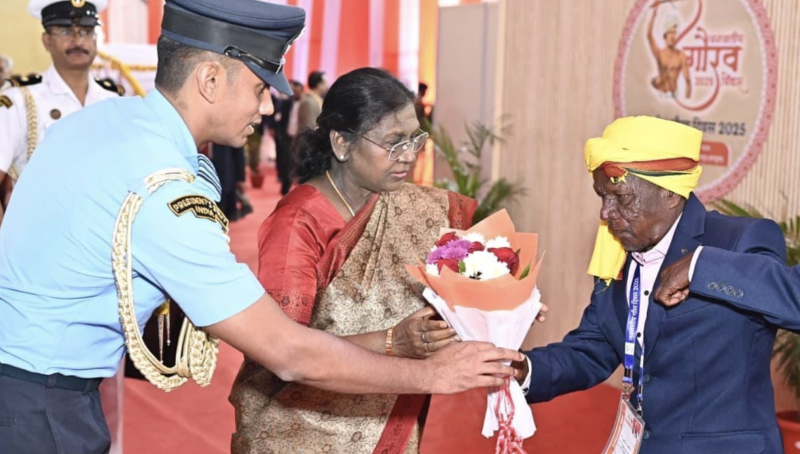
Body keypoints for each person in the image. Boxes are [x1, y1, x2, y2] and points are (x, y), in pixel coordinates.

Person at [0, 1, 523, 453]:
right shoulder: (162, 186)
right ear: (209, 79)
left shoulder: (107, 123)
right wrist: (435, 374)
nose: (269, 104)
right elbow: (287, 353)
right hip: (39, 406)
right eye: (258, 87)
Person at [229, 68, 537, 454]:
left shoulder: (410, 204)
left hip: (384, 421)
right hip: (300, 432)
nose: (409, 156)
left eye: (414, 139)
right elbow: (283, 353)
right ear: (342, 143)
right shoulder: (298, 223)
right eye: (393, 143)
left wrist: (506, 297)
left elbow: (464, 269)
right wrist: (392, 341)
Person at [515, 116, 786, 454]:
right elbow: (593, 348)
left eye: (621, 198)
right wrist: (523, 369)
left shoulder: (738, 241)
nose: (606, 213)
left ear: (669, 194)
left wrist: (702, 266)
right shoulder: (618, 252)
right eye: (602, 196)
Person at [0, 0, 122, 229]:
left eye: (86, 31)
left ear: (95, 38)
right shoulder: (19, 102)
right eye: (66, 31)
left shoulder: (114, 102)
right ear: (47, 41)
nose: (78, 41)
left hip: (104, 241)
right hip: (38, 241)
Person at [647, 0, 691, 99]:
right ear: (665, 36)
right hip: (661, 94)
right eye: (670, 33)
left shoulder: (681, 56)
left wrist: (687, 101)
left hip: (674, 94)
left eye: (674, 33)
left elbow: (688, 81)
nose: (672, 36)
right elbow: (649, 35)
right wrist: (654, 14)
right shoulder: (659, 53)